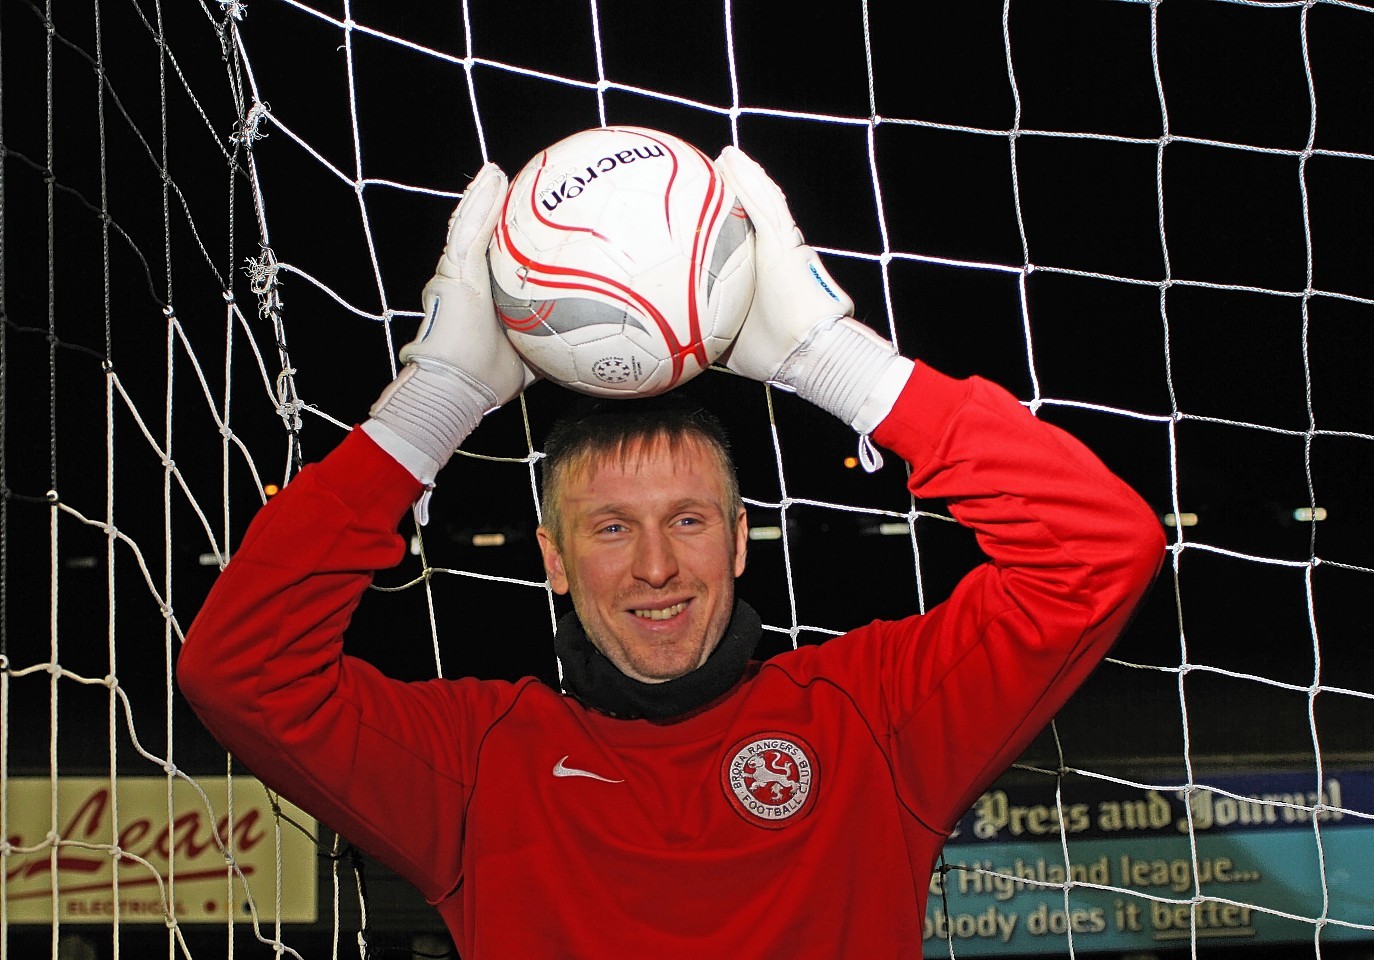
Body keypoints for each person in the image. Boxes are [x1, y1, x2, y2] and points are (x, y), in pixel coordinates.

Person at [178, 146, 1165, 957]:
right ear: (555, 561)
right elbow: (239, 674)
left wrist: (839, 361)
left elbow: (1100, 550)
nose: (657, 565)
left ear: (740, 541)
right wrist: (432, 402)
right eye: (611, 529)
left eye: (689, 521)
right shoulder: (479, 766)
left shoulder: (873, 719)